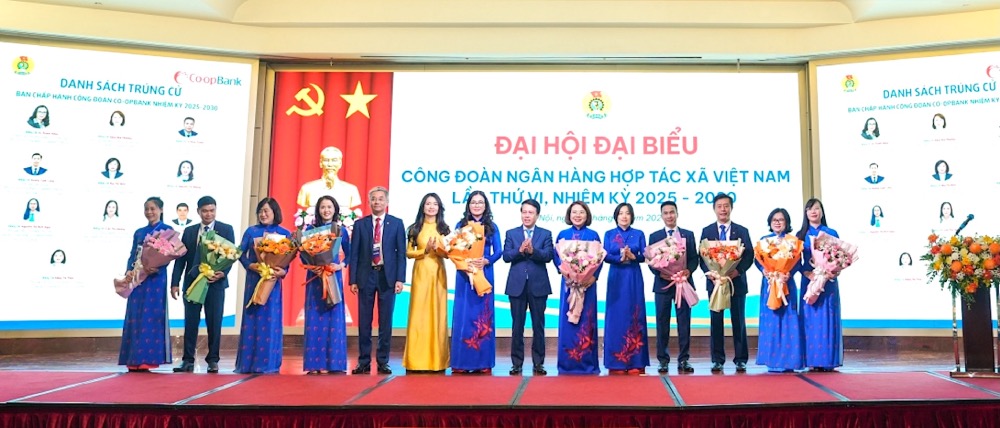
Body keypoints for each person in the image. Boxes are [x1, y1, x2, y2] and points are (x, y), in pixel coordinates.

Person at [170, 196, 236, 374]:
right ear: (198, 211)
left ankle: (213, 360)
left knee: (214, 323)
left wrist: (223, 273)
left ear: (216, 210)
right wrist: (174, 283)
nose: (208, 214)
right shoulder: (190, 231)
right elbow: (181, 259)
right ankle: (187, 361)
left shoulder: (226, 229)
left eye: (212, 210)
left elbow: (231, 256)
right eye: (205, 211)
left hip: (215, 284)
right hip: (193, 284)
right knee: (190, 323)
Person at [348, 186, 406, 375]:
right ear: (369, 202)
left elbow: (401, 255)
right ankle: (363, 361)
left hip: (387, 277)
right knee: (364, 321)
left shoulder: (396, 224)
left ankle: (383, 361)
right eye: (374, 199)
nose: (377, 202)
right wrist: (353, 280)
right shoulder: (360, 224)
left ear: (387, 202)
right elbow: (354, 254)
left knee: (385, 321)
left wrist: (400, 279)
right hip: (366, 276)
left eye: (381, 199)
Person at [235, 197, 292, 374]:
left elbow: (288, 259)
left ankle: (269, 364)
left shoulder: (284, 233)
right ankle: (248, 364)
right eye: (260, 211)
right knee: (252, 318)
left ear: (275, 212)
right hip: (255, 280)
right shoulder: (251, 232)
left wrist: (284, 271)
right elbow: (240, 253)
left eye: (266, 210)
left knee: (271, 321)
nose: (263, 214)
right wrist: (250, 265)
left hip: (273, 283)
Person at [699, 193, 754, 373]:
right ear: (714, 209)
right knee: (716, 321)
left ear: (731, 208)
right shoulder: (707, 231)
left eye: (726, 206)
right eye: (719, 206)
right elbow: (702, 256)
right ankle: (717, 360)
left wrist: (736, 271)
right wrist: (711, 274)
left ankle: (740, 359)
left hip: (736, 283)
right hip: (715, 284)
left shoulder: (742, 230)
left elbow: (749, 256)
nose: (723, 209)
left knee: (738, 321)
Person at [119, 197, 173, 372]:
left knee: (152, 316)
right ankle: (133, 358)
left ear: (161, 210)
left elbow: (170, 255)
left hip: (155, 279)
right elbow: (133, 254)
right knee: (136, 316)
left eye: (153, 209)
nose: (150, 212)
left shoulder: (167, 230)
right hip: (138, 278)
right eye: (147, 209)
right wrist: (128, 271)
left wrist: (156, 266)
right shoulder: (139, 232)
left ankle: (148, 359)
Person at [450, 190, 501, 374]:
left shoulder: (491, 226)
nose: (477, 205)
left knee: (483, 317)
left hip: (484, 274)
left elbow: (499, 251)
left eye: (480, 202)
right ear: (468, 205)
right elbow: (453, 249)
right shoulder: (460, 225)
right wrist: (465, 263)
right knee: (464, 315)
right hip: (464, 275)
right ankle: (461, 362)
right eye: (473, 202)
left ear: (485, 205)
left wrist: (487, 260)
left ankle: (483, 362)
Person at [502, 199, 553, 376]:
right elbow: (506, 256)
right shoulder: (511, 233)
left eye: (531, 212)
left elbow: (548, 256)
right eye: (524, 212)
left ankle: (538, 363)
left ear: (537, 215)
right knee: (517, 326)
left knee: (538, 326)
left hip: (539, 286)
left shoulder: (545, 234)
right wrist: (519, 250)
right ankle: (516, 363)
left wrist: (533, 251)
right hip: (516, 286)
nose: (527, 215)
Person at [301, 195, 351, 374]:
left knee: (333, 319)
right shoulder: (309, 230)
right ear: (318, 210)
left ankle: (333, 364)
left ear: (335, 209)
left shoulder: (340, 230)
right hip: (315, 278)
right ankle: (313, 365)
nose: (326, 210)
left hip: (332, 276)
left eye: (329, 207)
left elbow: (351, 254)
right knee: (314, 319)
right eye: (323, 207)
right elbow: (302, 254)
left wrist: (341, 265)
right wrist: (311, 265)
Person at [647, 201, 698, 374]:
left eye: (672, 212)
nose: (669, 216)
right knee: (662, 323)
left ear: (677, 214)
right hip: (662, 284)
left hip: (682, 283)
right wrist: (661, 273)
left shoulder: (688, 235)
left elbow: (693, 258)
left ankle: (684, 359)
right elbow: (651, 262)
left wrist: (687, 271)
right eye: (666, 213)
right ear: (661, 216)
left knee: (684, 323)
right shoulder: (655, 236)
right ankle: (663, 360)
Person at [403, 193, 451, 372]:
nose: (431, 207)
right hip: (421, 273)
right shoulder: (414, 228)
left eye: (435, 204)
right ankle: (416, 361)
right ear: (423, 207)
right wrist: (425, 250)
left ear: (439, 207)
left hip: (438, 273)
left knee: (437, 314)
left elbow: (449, 253)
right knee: (419, 313)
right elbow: (408, 253)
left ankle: (437, 361)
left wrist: (438, 249)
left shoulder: (444, 228)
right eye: (428, 204)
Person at [553, 201, 602, 375]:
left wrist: (592, 277)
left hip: (588, 286)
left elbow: (598, 260)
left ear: (587, 214)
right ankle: (567, 364)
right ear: (569, 214)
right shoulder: (563, 235)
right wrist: (568, 275)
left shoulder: (593, 235)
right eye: (574, 212)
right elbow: (557, 258)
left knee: (586, 323)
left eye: (581, 212)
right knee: (568, 322)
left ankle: (587, 364)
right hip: (568, 285)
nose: (578, 215)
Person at [796, 198, 843, 372]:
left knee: (828, 319)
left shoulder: (831, 233)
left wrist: (834, 271)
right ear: (806, 213)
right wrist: (806, 272)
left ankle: (828, 360)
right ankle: (812, 360)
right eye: (810, 209)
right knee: (810, 320)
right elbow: (794, 262)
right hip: (809, 281)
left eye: (816, 208)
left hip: (828, 282)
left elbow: (840, 257)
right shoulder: (800, 235)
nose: (813, 212)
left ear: (822, 211)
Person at [755, 208, 804, 373]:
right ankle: (772, 361)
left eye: (781, 219)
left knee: (788, 320)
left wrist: (789, 273)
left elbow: (797, 262)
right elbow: (758, 261)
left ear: (787, 223)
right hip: (769, 284)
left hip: (786, 284)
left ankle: (790, 360)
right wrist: (765, 271)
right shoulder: (764, 241)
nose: (777, 222)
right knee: (772, 321)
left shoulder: (793, 242)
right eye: (774, 219)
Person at [603, 202, 649, 374]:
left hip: (633, 277)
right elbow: (605, 256)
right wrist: (619, 258)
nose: (624, 216)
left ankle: (636, 362)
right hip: (616, 277)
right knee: (617, 316)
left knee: (634, 314)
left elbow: (645, 256)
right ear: (616, 216)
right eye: (621, 213)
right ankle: (617, 363)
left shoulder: (639, 234)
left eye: (627, 213)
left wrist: (633, 256)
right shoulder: (609, 234)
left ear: (632, 216)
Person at [297, 147, 363, 217]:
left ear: (340, 164)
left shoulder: (351, 189)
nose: (330, 164)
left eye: (334, 160)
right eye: (326, 160)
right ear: (321, 163)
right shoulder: (307, 188)